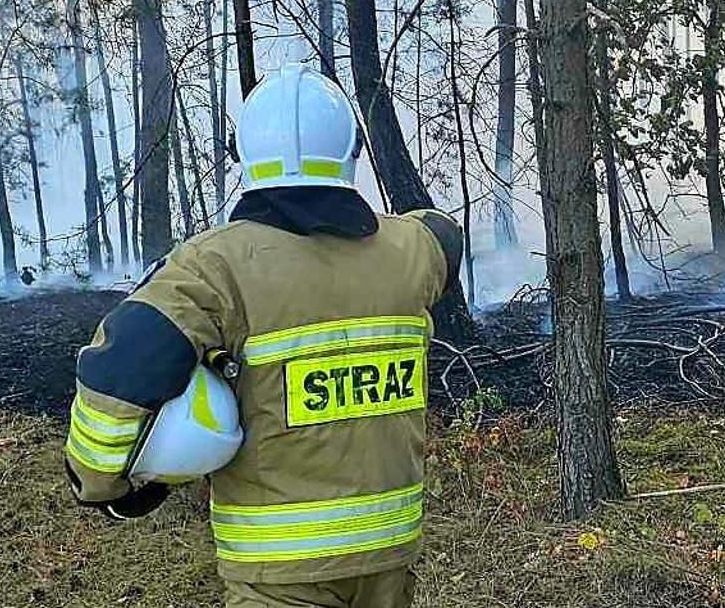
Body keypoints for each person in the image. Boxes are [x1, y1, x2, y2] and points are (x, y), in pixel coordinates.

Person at [63, 69, 460, 608]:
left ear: (243, 154)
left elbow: (123, 366)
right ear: (352, 151)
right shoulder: (409, 253)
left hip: (277, 574)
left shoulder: (215, 265)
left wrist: (106, 483)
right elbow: (443, 233)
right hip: (389, 555)